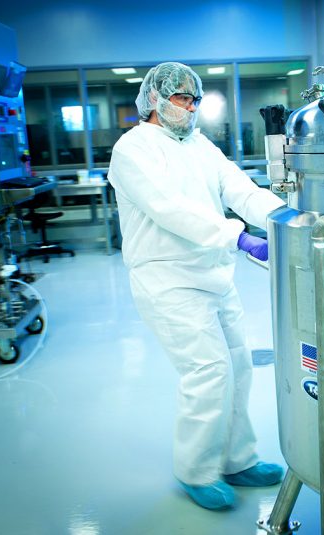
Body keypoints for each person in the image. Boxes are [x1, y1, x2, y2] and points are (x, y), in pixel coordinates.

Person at [107, 62, 287, 510]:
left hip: (212, 273)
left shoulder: (199, 145)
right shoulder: (133, 149)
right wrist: (239, 237)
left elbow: (239, 188)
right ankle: (196, 471)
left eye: (194, 99)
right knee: (208, 372)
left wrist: (284, 218)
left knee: (239, 366)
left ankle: (237, 459)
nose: (190, 107)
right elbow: (170, 209)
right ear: (154, 99)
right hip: (167, 279)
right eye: (181, 98)